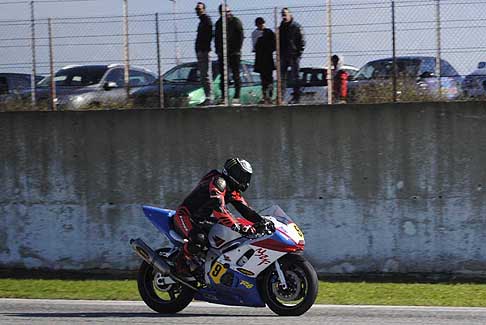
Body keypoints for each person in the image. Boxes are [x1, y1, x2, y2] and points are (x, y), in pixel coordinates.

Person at [173, 158, 263, 275]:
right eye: (242, 176)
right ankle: (179, 263)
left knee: (226, 236)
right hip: (185, 216)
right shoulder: (218, 182)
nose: (244, 180)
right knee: (199, 240)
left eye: (246, 177)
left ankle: (208, 268)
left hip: (201, 220)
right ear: (233, 173)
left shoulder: (232, 190)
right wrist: (236, 226)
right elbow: (218, 209)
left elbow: (246, 210)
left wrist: (262, 221)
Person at [215, 4, 244, 106]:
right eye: (225, 12)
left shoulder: (235, 21)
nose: (228, 13)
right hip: (223, 53)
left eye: (228, 11)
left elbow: (240, 35)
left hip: (234, 53)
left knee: (236, 75)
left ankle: (237, 97)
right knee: (223, 76)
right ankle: (224, 97)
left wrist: (237, 49)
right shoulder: (219, 23)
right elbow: (217, 38)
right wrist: (218, 50)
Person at [279, 8, 305, 104]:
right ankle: (281, 97)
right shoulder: (281, 27)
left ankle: (296, 97)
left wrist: (298, 54)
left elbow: (302, 41)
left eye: (285, 14)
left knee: (295, 77)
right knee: (282, 77)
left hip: (293, 55)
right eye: (282, 14)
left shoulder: (296, 27)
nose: (284, 16)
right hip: (283, 55)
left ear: (290, 14)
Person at [252, 17, 276, 105]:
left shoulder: (269, 32)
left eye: (262, 23)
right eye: (259, 24)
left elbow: (274, 44)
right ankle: (265, 96)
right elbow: (255, 46)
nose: (261, 25)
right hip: (260, 58)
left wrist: (268, 48)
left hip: (268, 58)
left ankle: (270, 95)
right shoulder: (255, 33)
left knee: (269, 78)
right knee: (263, 79)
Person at [195, 2, 213, 106]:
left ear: (204, 9)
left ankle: (209, 97)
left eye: (199, 9)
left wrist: (204, 47)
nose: (197, 11)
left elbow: (209, 34)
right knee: (202, 75)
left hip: (204, 50)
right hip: (200, 50)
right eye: (196, 9)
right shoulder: (201, 22)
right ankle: (207, 97)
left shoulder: (206, 20)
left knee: (206, 74)